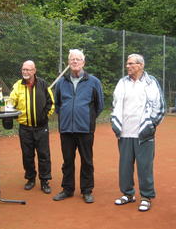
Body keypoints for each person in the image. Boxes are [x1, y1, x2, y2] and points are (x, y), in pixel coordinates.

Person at [111, 54, 165, 212]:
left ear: (141, 65)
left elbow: (159, 106)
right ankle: (128, 194)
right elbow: (115, 104)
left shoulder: (151, 82)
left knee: (145, 166)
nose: (127, 66)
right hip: (125, 132)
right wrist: (115, 124)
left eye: (131, 64)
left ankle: (146, 196)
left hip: (144, 133)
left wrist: (151, 126)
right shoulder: (122, 82)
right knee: (125, 166)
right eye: (127, 64)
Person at [53, 49, 104, 203]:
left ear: (83, 62)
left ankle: (87, 190)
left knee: (87, 161)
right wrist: (65, 117)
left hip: (85, 129)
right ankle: (67, 189)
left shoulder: (94, 82)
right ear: (68, 63)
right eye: (72, 59)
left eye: (78, 59)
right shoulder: (62, 82)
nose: (75, 62)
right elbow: (58, 104)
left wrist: (88, 119)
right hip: (66, 129)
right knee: (67, 161)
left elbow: (99, 105)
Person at [10, 60, 55, 194]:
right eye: (24, 69)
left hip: (41, 127)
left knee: (44, 155)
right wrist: (11, 110)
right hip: (25, 128)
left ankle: (45, 180)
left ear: (34, 71)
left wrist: (45, 116)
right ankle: (30, 178)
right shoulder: (17, 86)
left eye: (28, 70)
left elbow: (51, 103)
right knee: (27, 155)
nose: (25, 72)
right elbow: (11, 102)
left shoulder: (43, 84)